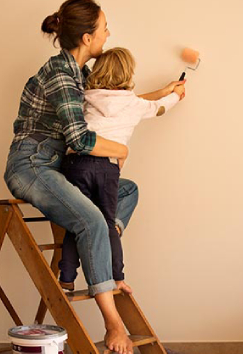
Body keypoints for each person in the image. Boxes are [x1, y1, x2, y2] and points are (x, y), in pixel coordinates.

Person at [4, 0, 186, 354]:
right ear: (88, 37)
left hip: (56, 167)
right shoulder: (61, 74)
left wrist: (164, 93)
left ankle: (104, 234)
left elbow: (115, 102)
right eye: (104, 28)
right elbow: (79, 139)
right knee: (90, 221)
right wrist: (123, 150)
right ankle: (112, 323)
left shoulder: (80, 73)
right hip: (31, 166)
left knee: (127, 191)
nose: (108, 33)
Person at [57, 47, 185, 295]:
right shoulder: (133, 103)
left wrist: (165, 89)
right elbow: (157, 108)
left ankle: (67, 277)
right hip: (106, 168)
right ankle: (116, 278)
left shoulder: (86, 96)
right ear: (128, 74)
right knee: (106, 222)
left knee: (78, 221)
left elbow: (138, 100)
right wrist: (175, 96)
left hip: (76, 164)